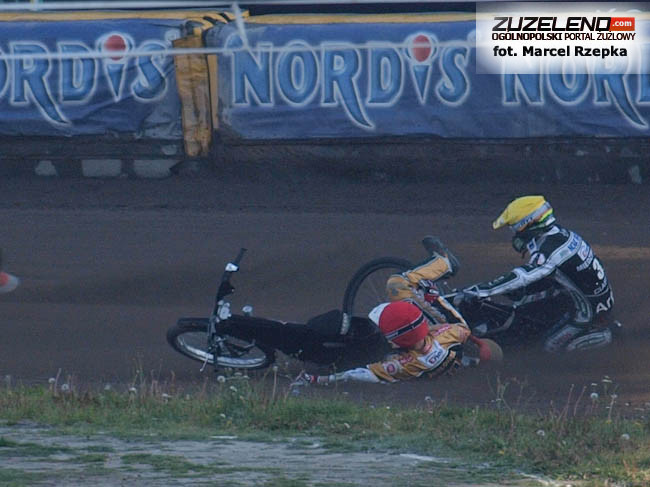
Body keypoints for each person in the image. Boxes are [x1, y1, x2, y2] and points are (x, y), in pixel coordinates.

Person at [460, 195, 616, 352]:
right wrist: (525, 290)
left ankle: (604, 336)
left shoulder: (550, 252)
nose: (514, 234)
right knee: (524, 305)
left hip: (586, 313)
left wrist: (482, 290)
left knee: (548, 347)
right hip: (581, 297)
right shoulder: (561, 234)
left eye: (514, 228)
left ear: (528, 224)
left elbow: (522, 276)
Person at [295, 300, 502, 386]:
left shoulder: (401, 365)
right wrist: (480, 345)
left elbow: (356, 374)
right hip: (449, 365)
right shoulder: (449, 333)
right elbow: (465, 332)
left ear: (396, 341)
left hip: (417, 374)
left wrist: (318, 380)